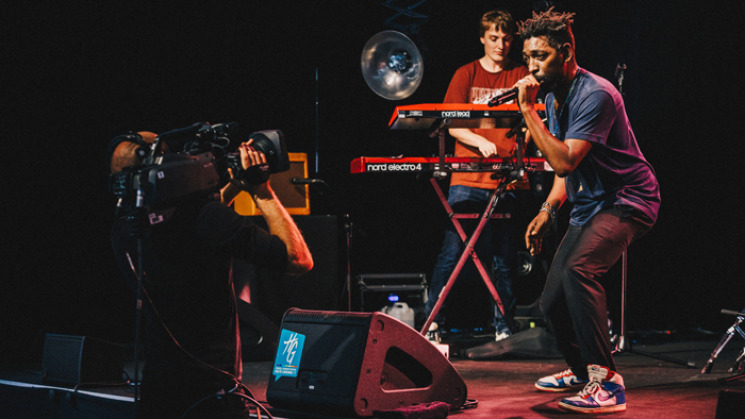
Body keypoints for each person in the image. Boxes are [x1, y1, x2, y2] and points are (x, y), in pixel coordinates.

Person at [514, 9, 660, 414]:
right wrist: (547, 208)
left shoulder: (595, 93)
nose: (532, 67)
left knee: (581, 270)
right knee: (552, 301)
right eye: (528, 58)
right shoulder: (551, 97)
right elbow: (564, 169)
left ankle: (608, 384)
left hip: (629, 199)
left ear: (566, 50)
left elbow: (564, 162)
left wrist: (527, 112)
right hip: (590, 206)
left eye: (540, 57)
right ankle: (581, 371)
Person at [109, 131, 313, 418]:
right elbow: (298, 260)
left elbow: (195, 227)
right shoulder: (207, 218)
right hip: (213, 397)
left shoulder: (124, 230)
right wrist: (260, 189)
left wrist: (233, 187)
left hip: (159, 394)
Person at [425, 9, 529, 342]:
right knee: (453, 253)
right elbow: (451, 121)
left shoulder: (521, 74)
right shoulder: (465, 73)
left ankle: (504, 328)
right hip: (467, 179)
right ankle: (432, 325)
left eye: (507, 37)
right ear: (483, 38)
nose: (501, 44)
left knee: (504, 259)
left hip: (506, 178)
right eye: (494, 38)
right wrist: (480, 140)